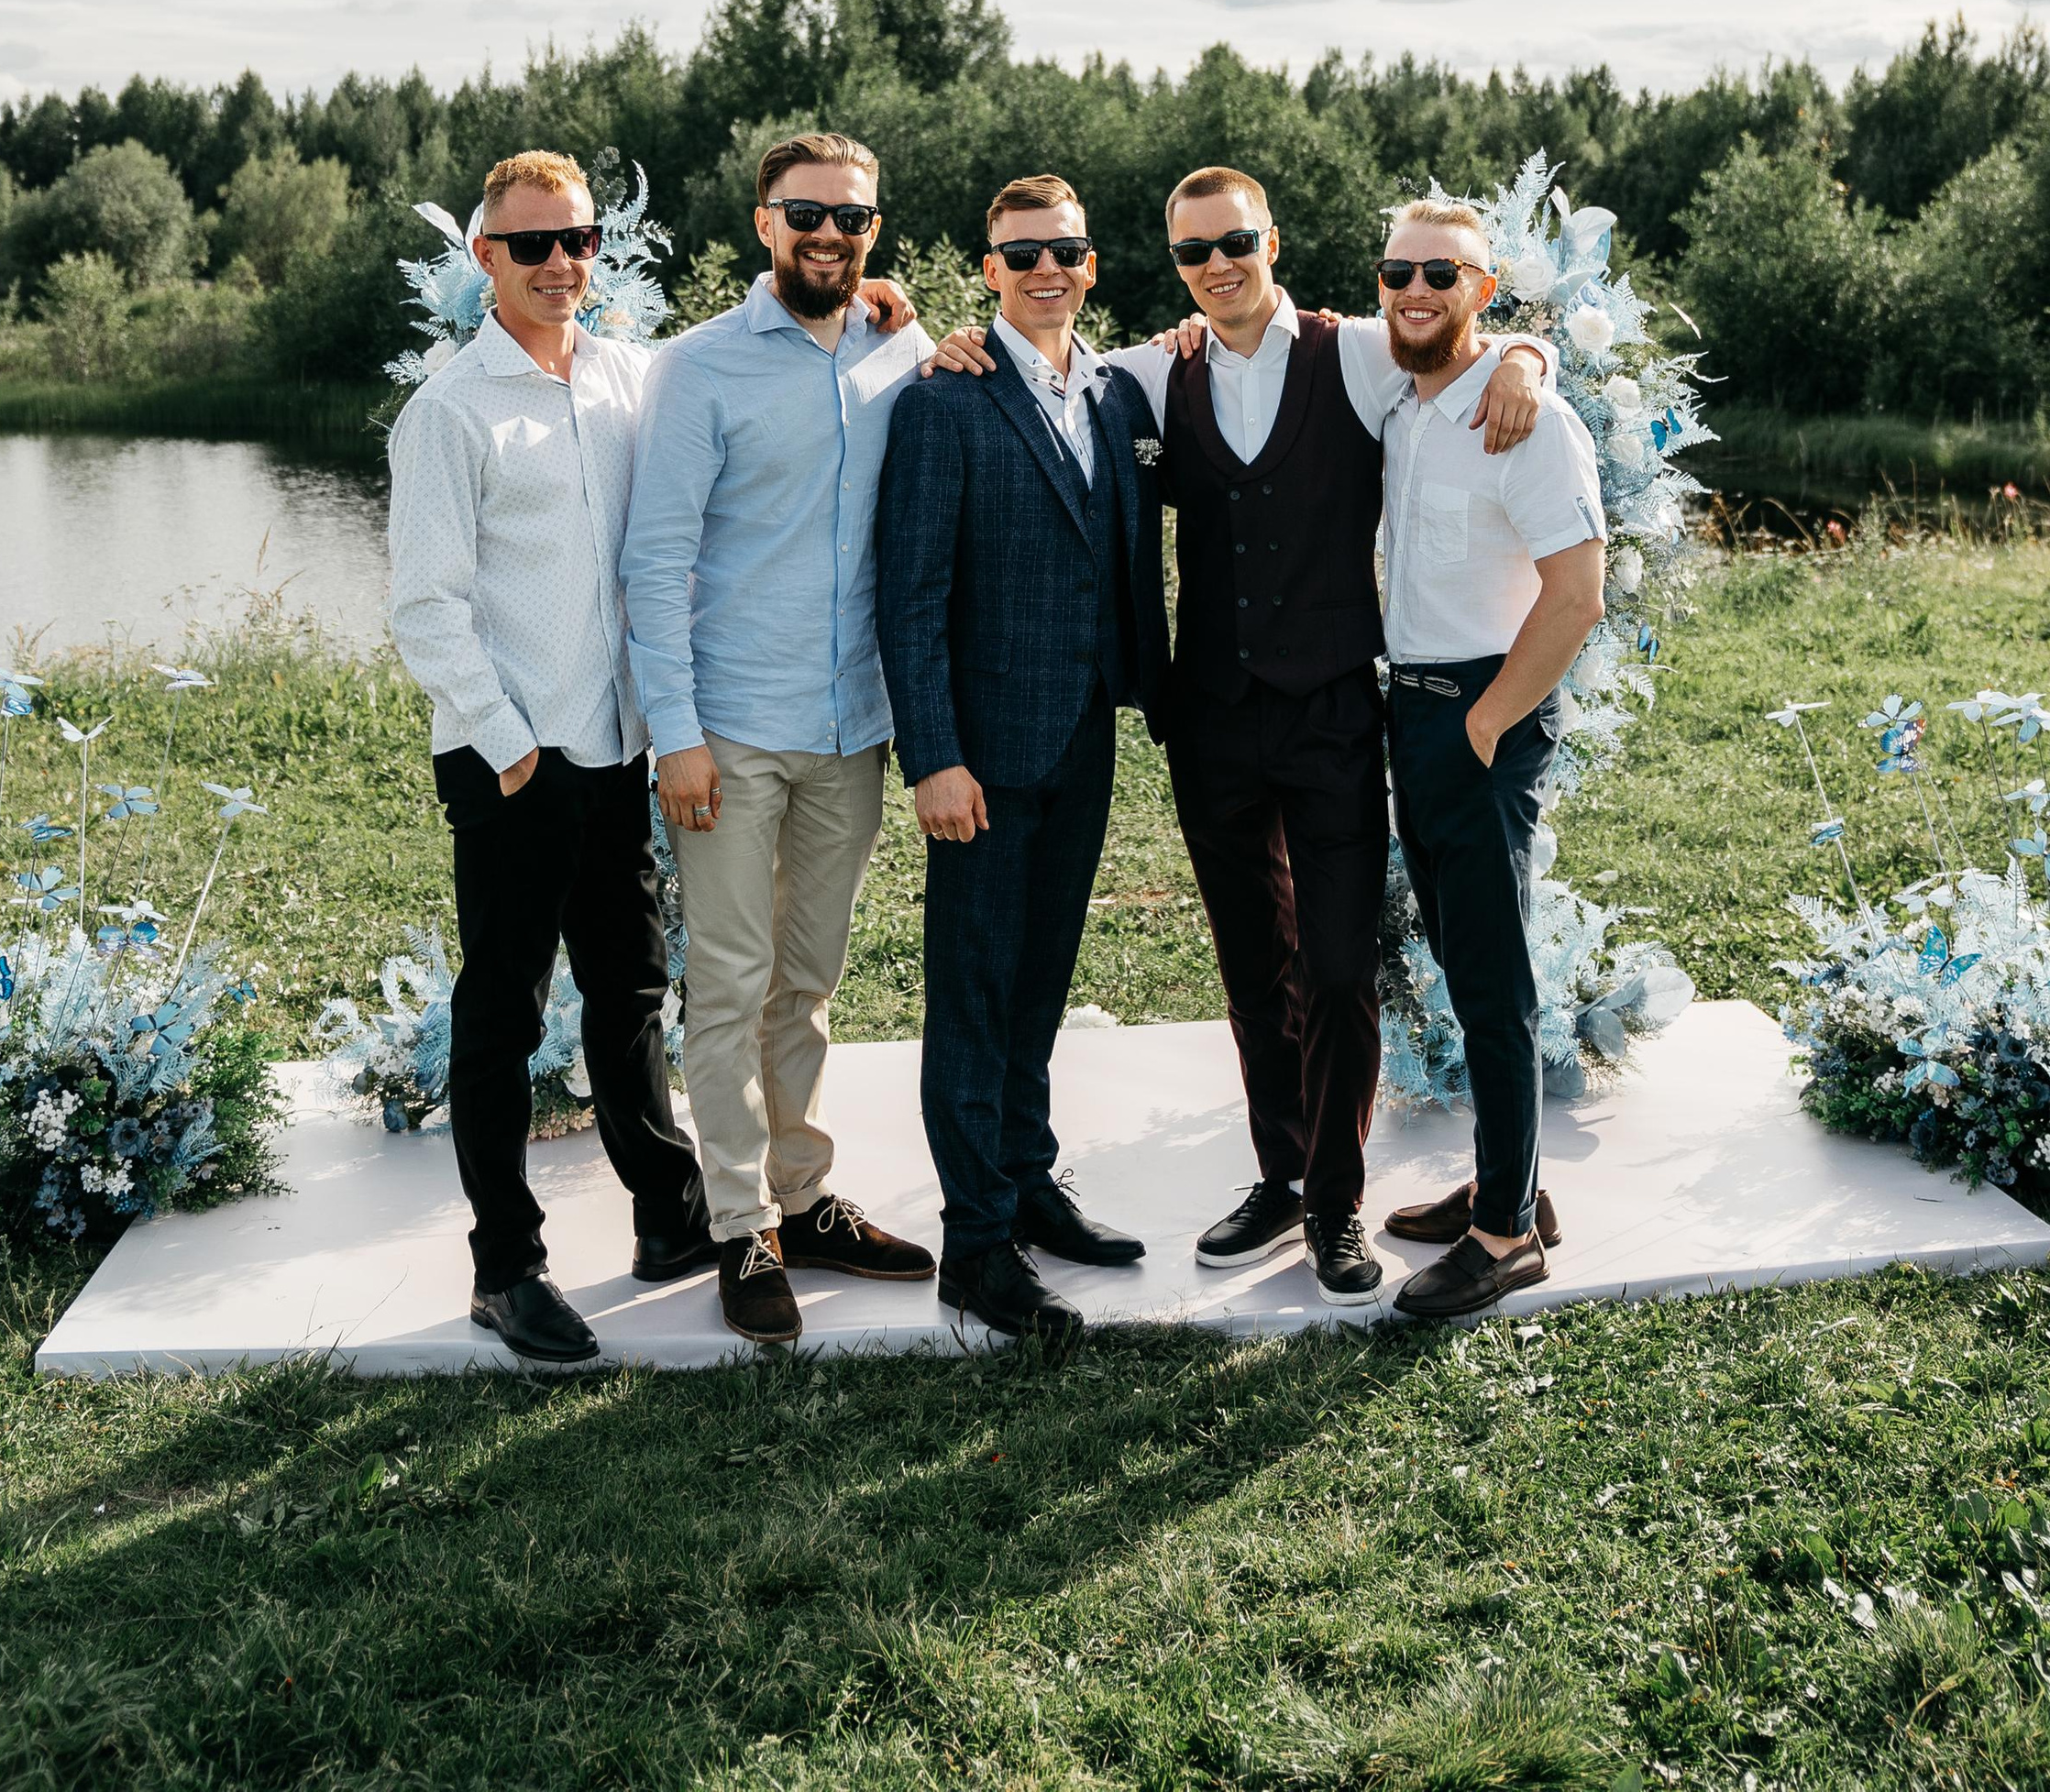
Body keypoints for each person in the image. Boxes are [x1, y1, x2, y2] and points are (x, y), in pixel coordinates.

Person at [927, 168, 1549, 1304]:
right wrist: (940, 336)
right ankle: (1281, 1174)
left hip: (1331, 719)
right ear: (1170, 267)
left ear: (1272, 239)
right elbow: (1037, 365)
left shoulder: (1353, 351)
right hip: (1208, 719)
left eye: (1236, 240)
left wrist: (1524, 357)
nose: (1217, 264)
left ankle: (1337, 1206)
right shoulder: (1150, 374)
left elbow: (1451, 331)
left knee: (1340, 966)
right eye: (1193, 251)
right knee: (1252, 966)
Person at [387, 148, 711, 1371]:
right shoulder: (450, 413)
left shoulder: (628, 380)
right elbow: (427, 606)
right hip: (512, 759)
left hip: (618, 747)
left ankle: (671, 1219)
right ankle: (504, 1268)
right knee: (504, 1014)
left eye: (577, 240)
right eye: (533, 245)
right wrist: (519, 752)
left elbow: (742, 364)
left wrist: (887, 315)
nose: (562, 262)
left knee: (630, 993)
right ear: (486, 259)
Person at [621, 132, 938, 1351]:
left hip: (851, 728)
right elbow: (656, 561)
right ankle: (738, 1226)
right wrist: (678, 738)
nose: (830, 233)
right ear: (764, 220)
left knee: (807, 985)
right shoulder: (698, 371)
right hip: (733, 732)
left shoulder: (896, 347)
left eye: (852, 218)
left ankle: (805, 1201)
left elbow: (1042, 356)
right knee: (729, 985)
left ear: (873, 230)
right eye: (806, 212)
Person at [873, 174, 1168, 1346]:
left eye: (1068, 250)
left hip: (1081, 732)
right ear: (987, 269)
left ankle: (1029, 1182)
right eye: (1022, 252)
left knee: (1042, 978)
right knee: (975, 991)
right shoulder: (944, 399)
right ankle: (976, 1243)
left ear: (1092, 264)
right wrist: (933, 757)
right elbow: (909, 597)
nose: (1047, 268)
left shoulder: (1109, 390)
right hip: (981, 759)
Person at [1371, 198, 1606, 1323]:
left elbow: (1576, 596)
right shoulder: (1408, 401)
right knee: (1466, 957)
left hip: (1479, 712)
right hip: (1412, 708)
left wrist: (1484, 724)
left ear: (1485, 286)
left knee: (1491, 974)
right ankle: (1510, 1185)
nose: (1415, 291)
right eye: (1396, 273)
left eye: (1442, 275)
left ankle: (1507, 1237)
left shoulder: (1529, 420)